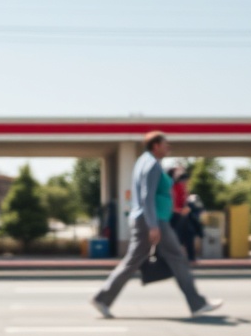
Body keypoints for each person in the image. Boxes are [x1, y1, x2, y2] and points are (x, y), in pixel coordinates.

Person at [91, 131, 222, 318]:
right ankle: (197, 304)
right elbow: (147, 196)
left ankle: (103, 298)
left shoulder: (145, 161)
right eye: (165, 144)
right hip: (153, 220)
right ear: (156, 145)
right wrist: (153, 225)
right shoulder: (152, 164)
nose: (168, 147)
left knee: (133, 262)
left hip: (148, 219)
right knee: (177, 257)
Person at [169, 166, 196, 262]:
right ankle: (176, 257)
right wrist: (180, 211)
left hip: (182, 215)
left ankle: (191, 257)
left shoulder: (183, 188)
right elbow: (172, 205)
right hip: (175, 216)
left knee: (189, 233)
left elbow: (184, 201)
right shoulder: (173, 187)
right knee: (178, 236)